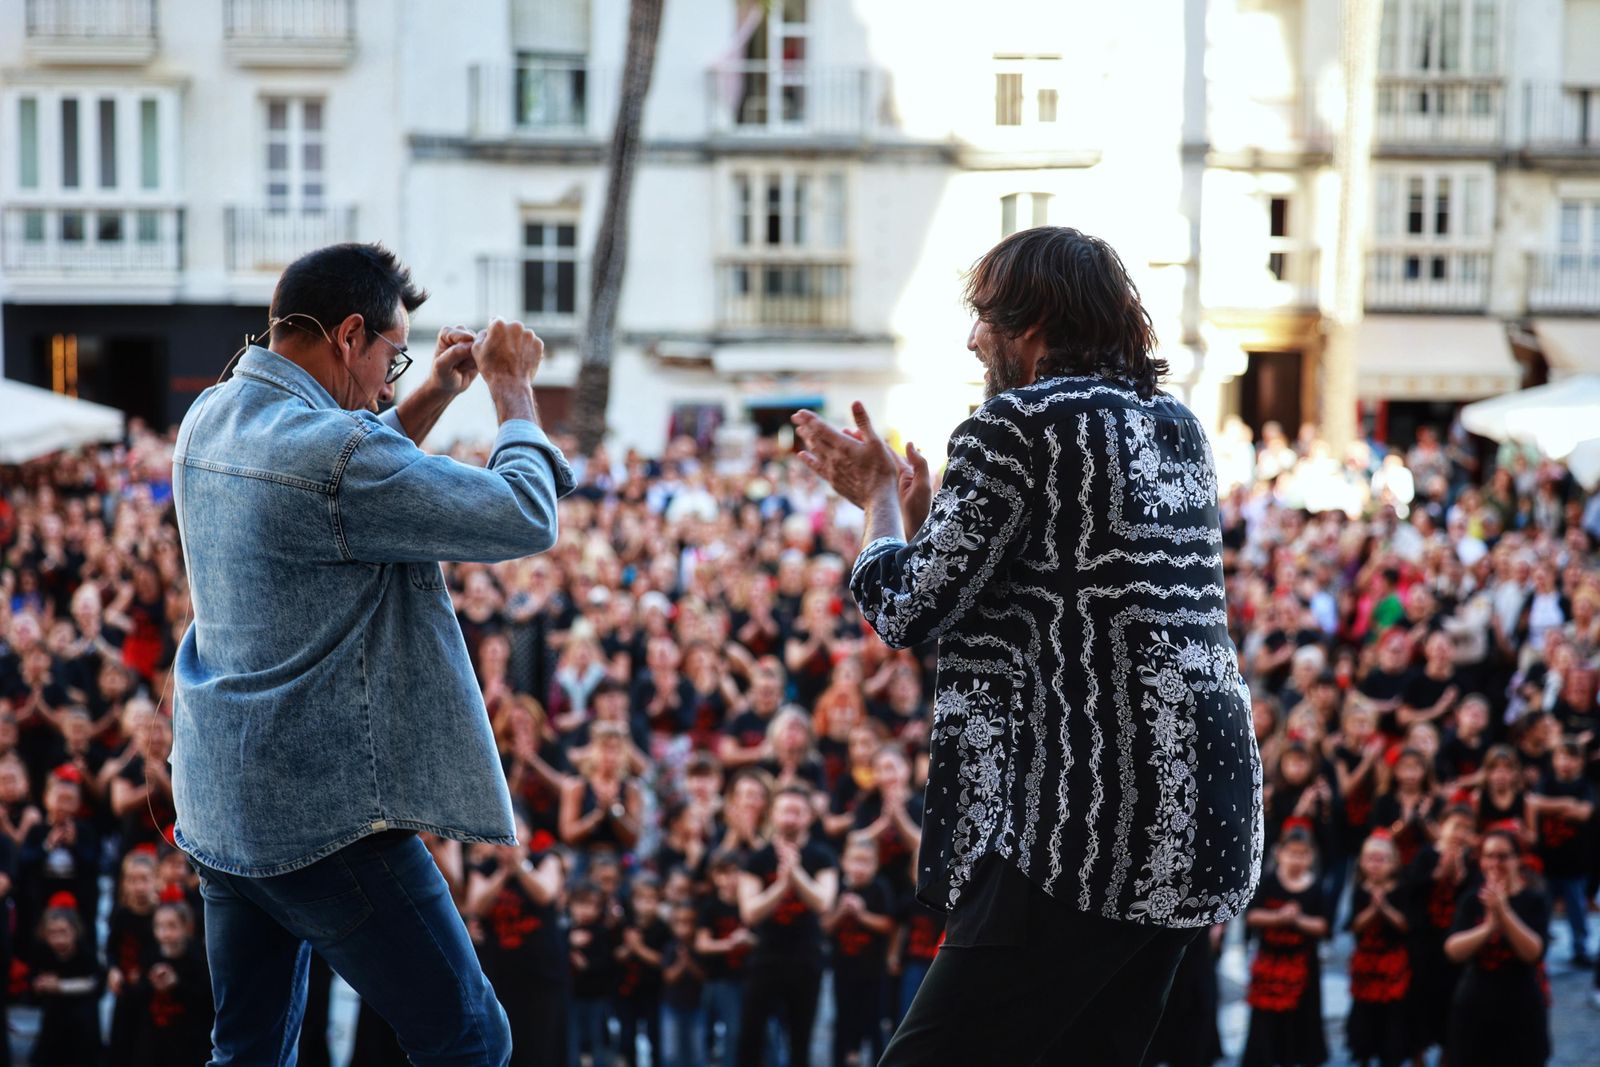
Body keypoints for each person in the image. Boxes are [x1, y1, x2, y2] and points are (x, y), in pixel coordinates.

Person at [793, 225, 1262, 1065]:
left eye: (984, 316)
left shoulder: (1015, 424)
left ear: (1034, 321)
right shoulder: (1179, 426)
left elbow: (905, 608)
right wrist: (935, 522)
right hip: (1202, 818)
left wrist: (879, 504)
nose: (974, 339)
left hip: (1082, 823)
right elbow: (1063, 589)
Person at [169, 243, 574, 1063]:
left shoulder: (209, 414)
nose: (392, 380)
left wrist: (434, 393)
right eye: (396, 356)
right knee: (470, 1037)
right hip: (325, 817)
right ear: (349, 335)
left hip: (223, 800)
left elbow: (337, 477)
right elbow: (523, 513)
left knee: (247, 1052)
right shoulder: (332, 457)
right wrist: (511, 388)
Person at [735, 785, 839, 1067]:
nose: (790, 818)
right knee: (750, 1040)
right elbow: (750, 912)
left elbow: (823, 902)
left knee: (800, 1042)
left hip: (806, 959)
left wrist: (795, 872)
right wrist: (781, 886)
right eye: (785, 811)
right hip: (765, 958)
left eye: (797, 811)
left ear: (809, 816)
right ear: (773, 814)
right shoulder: (757, 859)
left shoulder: (822, 856)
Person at [1444, 830, 1550, 1067]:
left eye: (1502, 856)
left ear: (1518, 860)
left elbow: (1534, 953)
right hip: (1475, 1006)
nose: (1495, 863)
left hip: (1520, 1006)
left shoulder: (1534, 900)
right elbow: (1452, 950)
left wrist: (1504, 912)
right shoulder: (1471, 899)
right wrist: (1488, 928)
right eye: (1489, 856)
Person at [1240, 825, 1329, 1067]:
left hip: (1303, 967)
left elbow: (1324, 925)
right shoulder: (1268, 881)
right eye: (1292, 853)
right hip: (1269, 964)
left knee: (1299, 1022)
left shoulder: (1315, 886)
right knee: (1266, 1023)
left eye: (1303, 854)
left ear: (1311, 857)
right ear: (1279, 853)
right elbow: (1252, 916)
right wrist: (1279, 917)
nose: (1296, 860)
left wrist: (1298, 920)